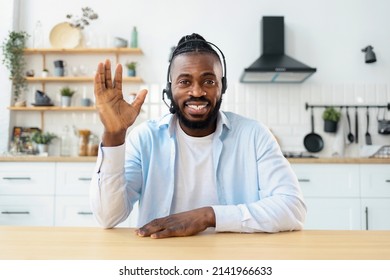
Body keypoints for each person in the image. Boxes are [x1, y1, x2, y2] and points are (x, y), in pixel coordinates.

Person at [90, 33, 306, 239]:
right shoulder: (145, 138)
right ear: (169, 88)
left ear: (223, 87)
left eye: (209, 81)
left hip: (235, 258)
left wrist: (207, 216)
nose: (197, 92)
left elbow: (292, 208)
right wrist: (114, 134)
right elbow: (108, 216)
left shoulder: (254, 135)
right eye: (184, 82)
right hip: (159, 258)